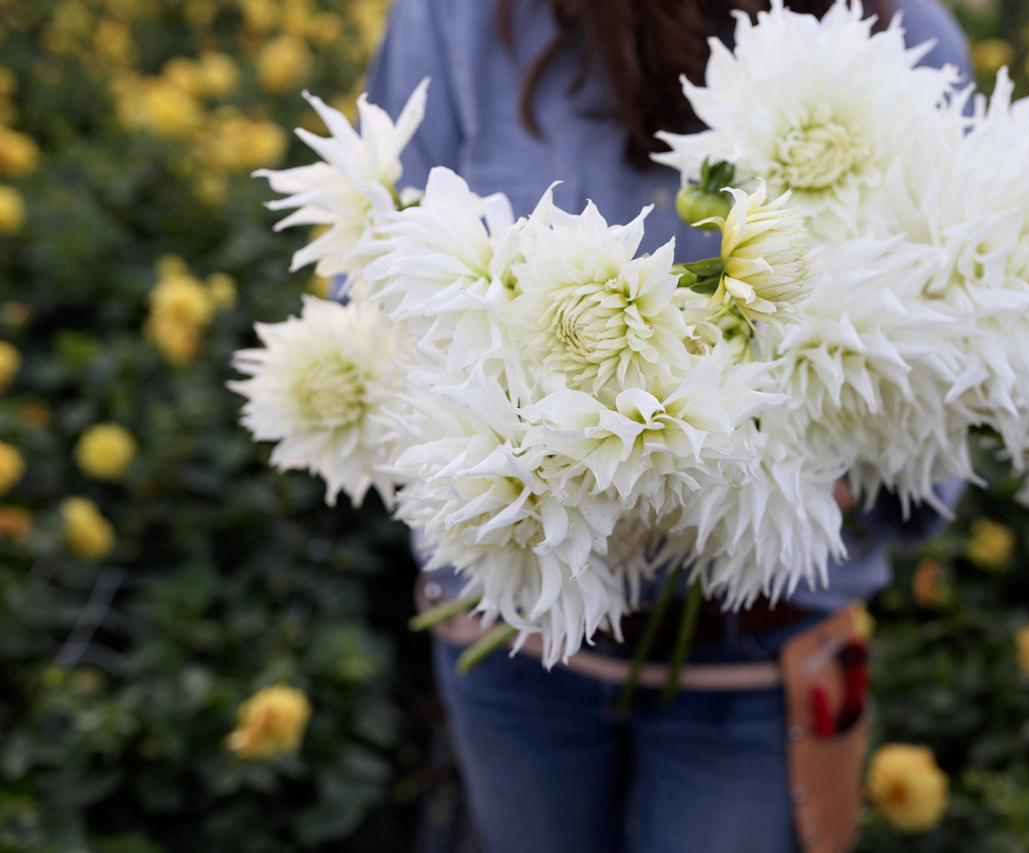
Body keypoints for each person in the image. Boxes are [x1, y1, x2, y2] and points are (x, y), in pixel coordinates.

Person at [361, 1, 972, 851]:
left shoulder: (905, 34)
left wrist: (827, 464)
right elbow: (373, 280)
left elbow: (956, 341)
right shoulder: (456, 22)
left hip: (760, 654)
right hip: (513, 639)